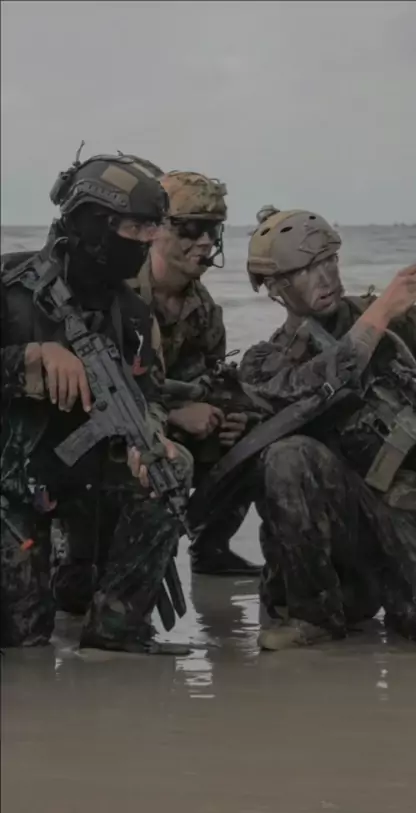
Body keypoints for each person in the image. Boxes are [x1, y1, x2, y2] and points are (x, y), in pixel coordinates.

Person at [239, 207, 416, 651]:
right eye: (306, 269)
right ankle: (314, 616)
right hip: (345, 517)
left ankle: (394, 590)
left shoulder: (397, 321)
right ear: (274, 286)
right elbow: (316, 383)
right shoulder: (264, 362)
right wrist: (378, 317)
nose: (326, 276)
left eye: (329, 260)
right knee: (287, 456)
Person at [1, 151, 193, 654]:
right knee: (24, 639)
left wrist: (150, 435)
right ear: (93, 224)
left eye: (153, 229)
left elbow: (149, 394)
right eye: (135, 228)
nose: (147, 241)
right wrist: (29, 358)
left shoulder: (132, 314)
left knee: (170, 467)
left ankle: (117, 626)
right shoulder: (10, 286)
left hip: (85, 477)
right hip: (11, 485)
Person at [127, 170, 261, 576]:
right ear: (155, 230)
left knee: (256, 438)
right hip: (119, 435)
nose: (204, 242)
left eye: (212, 230)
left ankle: (211, 547)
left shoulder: (204, 310)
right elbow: (93, 392)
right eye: (190, 228)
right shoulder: (118, 294)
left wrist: (232, 418)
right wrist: (171, 416)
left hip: (171, 429)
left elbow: (210, 381)